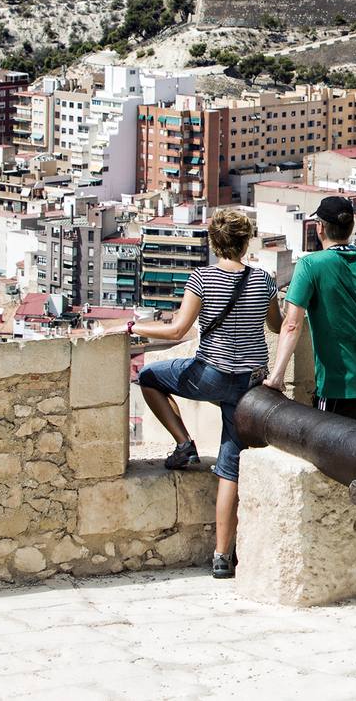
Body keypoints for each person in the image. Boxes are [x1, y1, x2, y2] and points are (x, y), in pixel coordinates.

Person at [132, 209, 281, 580]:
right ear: (246, 242)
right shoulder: (264, 279)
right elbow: (277, 325)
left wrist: (134, 326)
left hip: (210, 374)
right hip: (250, 382)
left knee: (150, 375)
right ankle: (220, 556)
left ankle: (184, 441)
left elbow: (179, 328)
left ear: (214, 242)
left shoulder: (202, 277)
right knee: (230, 470)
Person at [266, 195, 356, 577]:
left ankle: (341, 543)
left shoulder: (311, 265)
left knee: (334, 464)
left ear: (321, 228)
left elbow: (292, 324)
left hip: (342, 385)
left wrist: (277, 376)